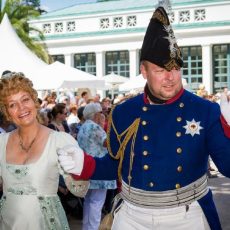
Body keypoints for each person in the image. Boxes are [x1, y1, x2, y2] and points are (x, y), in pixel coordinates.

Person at [58, 5, 230, 230]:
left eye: (175, 68)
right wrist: (86, 165)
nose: (170, 77)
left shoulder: (205, 110)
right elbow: (116, 167)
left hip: (187, 216)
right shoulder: (124, 112)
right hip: (132, 217)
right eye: (160, 70)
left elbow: (227, 167)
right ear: (144, 71)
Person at [0, 72, 90, 229]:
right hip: (8, 223)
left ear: (34, 102)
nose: (21, 108)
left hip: (46, 224)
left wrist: (80, 168)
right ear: (7, 112)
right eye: (12, 105)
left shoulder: (60, 140)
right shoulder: (1, 143)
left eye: (25, 100)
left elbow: (79, 191)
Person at [77, 103, 117, 230]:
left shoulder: (84, 126)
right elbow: (108, 143)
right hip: (99, 168)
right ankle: (93, 228)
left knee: (89, 202)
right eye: (101, 112)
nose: (103, 114)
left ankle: (87, 228)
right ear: (95, 114)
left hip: (87, 168)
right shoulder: (94, 127)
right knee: (96, 202)